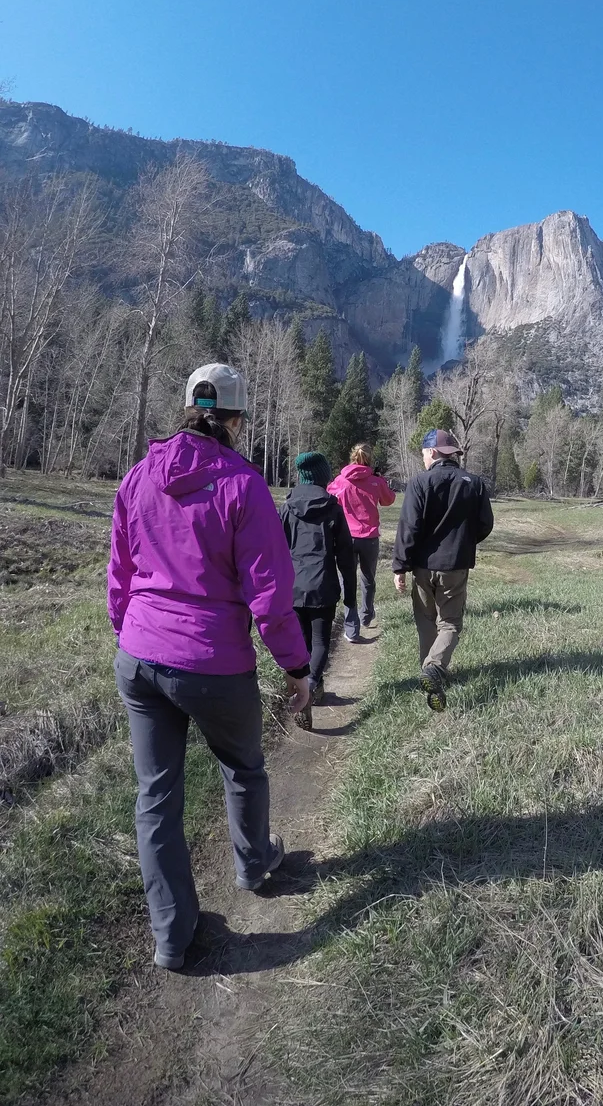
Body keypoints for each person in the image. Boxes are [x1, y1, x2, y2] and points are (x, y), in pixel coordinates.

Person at [108, 362, 311, 972]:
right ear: (235, 420)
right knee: (243, 767)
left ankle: (172, 937)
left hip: (140, 655)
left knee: (156, 796)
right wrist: (296, 666)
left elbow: (119, 571)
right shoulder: (243, 484)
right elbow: (269, 594)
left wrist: (130, 632)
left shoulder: (138, 476)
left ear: (187, 411)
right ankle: (254, 864)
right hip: (212, 661)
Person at [392, 428, 494, 711]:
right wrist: (463, 543)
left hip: (423, 566)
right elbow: (485, 524)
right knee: (449, 623)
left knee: (426, 620)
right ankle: (434, 669)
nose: (423, 459)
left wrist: (400, 566)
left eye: (424, 454)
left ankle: (430, 669)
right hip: (455, 566)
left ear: (433, 452)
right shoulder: (474, 483)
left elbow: (408, 527)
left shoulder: (419, 482)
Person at [280, 451, 359, 728]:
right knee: (320, 641)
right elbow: (346, 557)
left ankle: (308, 688)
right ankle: (311, 686)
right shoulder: (333, 508)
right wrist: (351, 597)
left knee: (302, 644)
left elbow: (275, 550)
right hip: (323, 585)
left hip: (292, 587)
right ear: (324, 477)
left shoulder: (287, 508)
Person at [330, 441, 396, 629]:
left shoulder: (341, 481)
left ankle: (351, 624)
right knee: (368, 578)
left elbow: (330, 496)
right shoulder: (375, 481)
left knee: (347, 580)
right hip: (370, 537)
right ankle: (366, 614)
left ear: (352, 457)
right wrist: (381, 481)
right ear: (369, 459)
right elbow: (388, 500)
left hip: (347, 537)